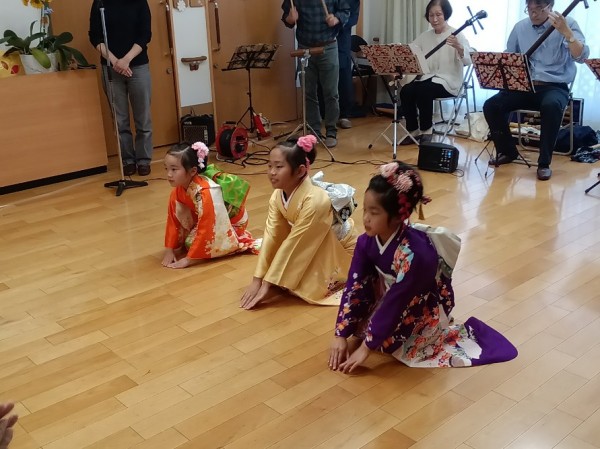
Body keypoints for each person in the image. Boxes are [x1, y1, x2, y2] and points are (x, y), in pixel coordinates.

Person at [328, 161, 518, 373]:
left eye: (374, 212)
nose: (365, 218)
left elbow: (397, 302)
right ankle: (373, 328)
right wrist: (340, 333)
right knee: (360, 324)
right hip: (389, 297)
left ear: (399, 215)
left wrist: (366, 348)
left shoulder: (415, 254)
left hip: (417, 305)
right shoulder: (366, 241)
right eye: (365, 209)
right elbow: (355, 285)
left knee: (397, 346)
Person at [241, 135, 357, 310]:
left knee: (301, 286)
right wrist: (258, 279)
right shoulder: (277, 195)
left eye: (279, 166)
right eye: (269, 166)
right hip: (313, 241)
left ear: (300, 171)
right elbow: (273, 234)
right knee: (288, 281)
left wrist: (267, 283)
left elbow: (296, 242)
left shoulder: (316, 200)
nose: (272, 172)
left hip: (339, 248)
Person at [483, 0, 589, 181]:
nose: (533, 14)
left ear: (550, 6)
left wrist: (567, 33)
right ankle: (507, 151)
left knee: (551, 105)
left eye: (539, 9)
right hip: (525, 85)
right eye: (529, 9)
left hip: (554, 86)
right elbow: (510, 57)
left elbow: (581, 56)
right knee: (491, 105)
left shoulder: (567, 23)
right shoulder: (520, 27)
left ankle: (544, 163)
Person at [162, 142, 256, 269]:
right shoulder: (178, 190)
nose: (169, 174)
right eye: (166, 169)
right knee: (183, 240)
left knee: (190, 243)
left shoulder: (206, 192)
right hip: (210, 217)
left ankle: (235, 238)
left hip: (232, 221)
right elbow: (173, 219)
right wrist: (169, 249)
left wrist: (189, 259)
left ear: (193, 171)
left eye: (174, 169)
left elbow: (208, 225)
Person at [89, 0, 154, 177]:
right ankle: (127, 160)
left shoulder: (139, 2)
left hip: (138, 66)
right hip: (110, 67)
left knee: (143, 117)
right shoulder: (100, 2)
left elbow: (145, 35)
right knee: (120, 120)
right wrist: (115, 61)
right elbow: (95, 36)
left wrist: (126, 60)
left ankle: (144, 160)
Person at [399, 0, 471, 145]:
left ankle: (426, 130)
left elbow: (468, 60)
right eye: (431, 15)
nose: (435, 19)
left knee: (424, 89)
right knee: (406, 90)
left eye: (438, 14)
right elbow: (410, 52)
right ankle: (413, 131)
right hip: (427, 79)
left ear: (446, 15)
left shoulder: (457, 34)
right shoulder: (425, 36)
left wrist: (458, 46)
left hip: (448, 81)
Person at [282, 0, 351, 148]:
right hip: (304, 48)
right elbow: (286, 19)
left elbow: (346, 11)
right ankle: (314, 132)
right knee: (308, 93)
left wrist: (336, 19)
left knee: (331, 93)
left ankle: (331, 131)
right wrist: (290, 19)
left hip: (328, 46)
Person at [336, 0, 360, 130]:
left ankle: (343, 115)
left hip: (342, 39)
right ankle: (323, 113)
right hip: (323, 38)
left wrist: (338, 21)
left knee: (343, 77)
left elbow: (353, 18)